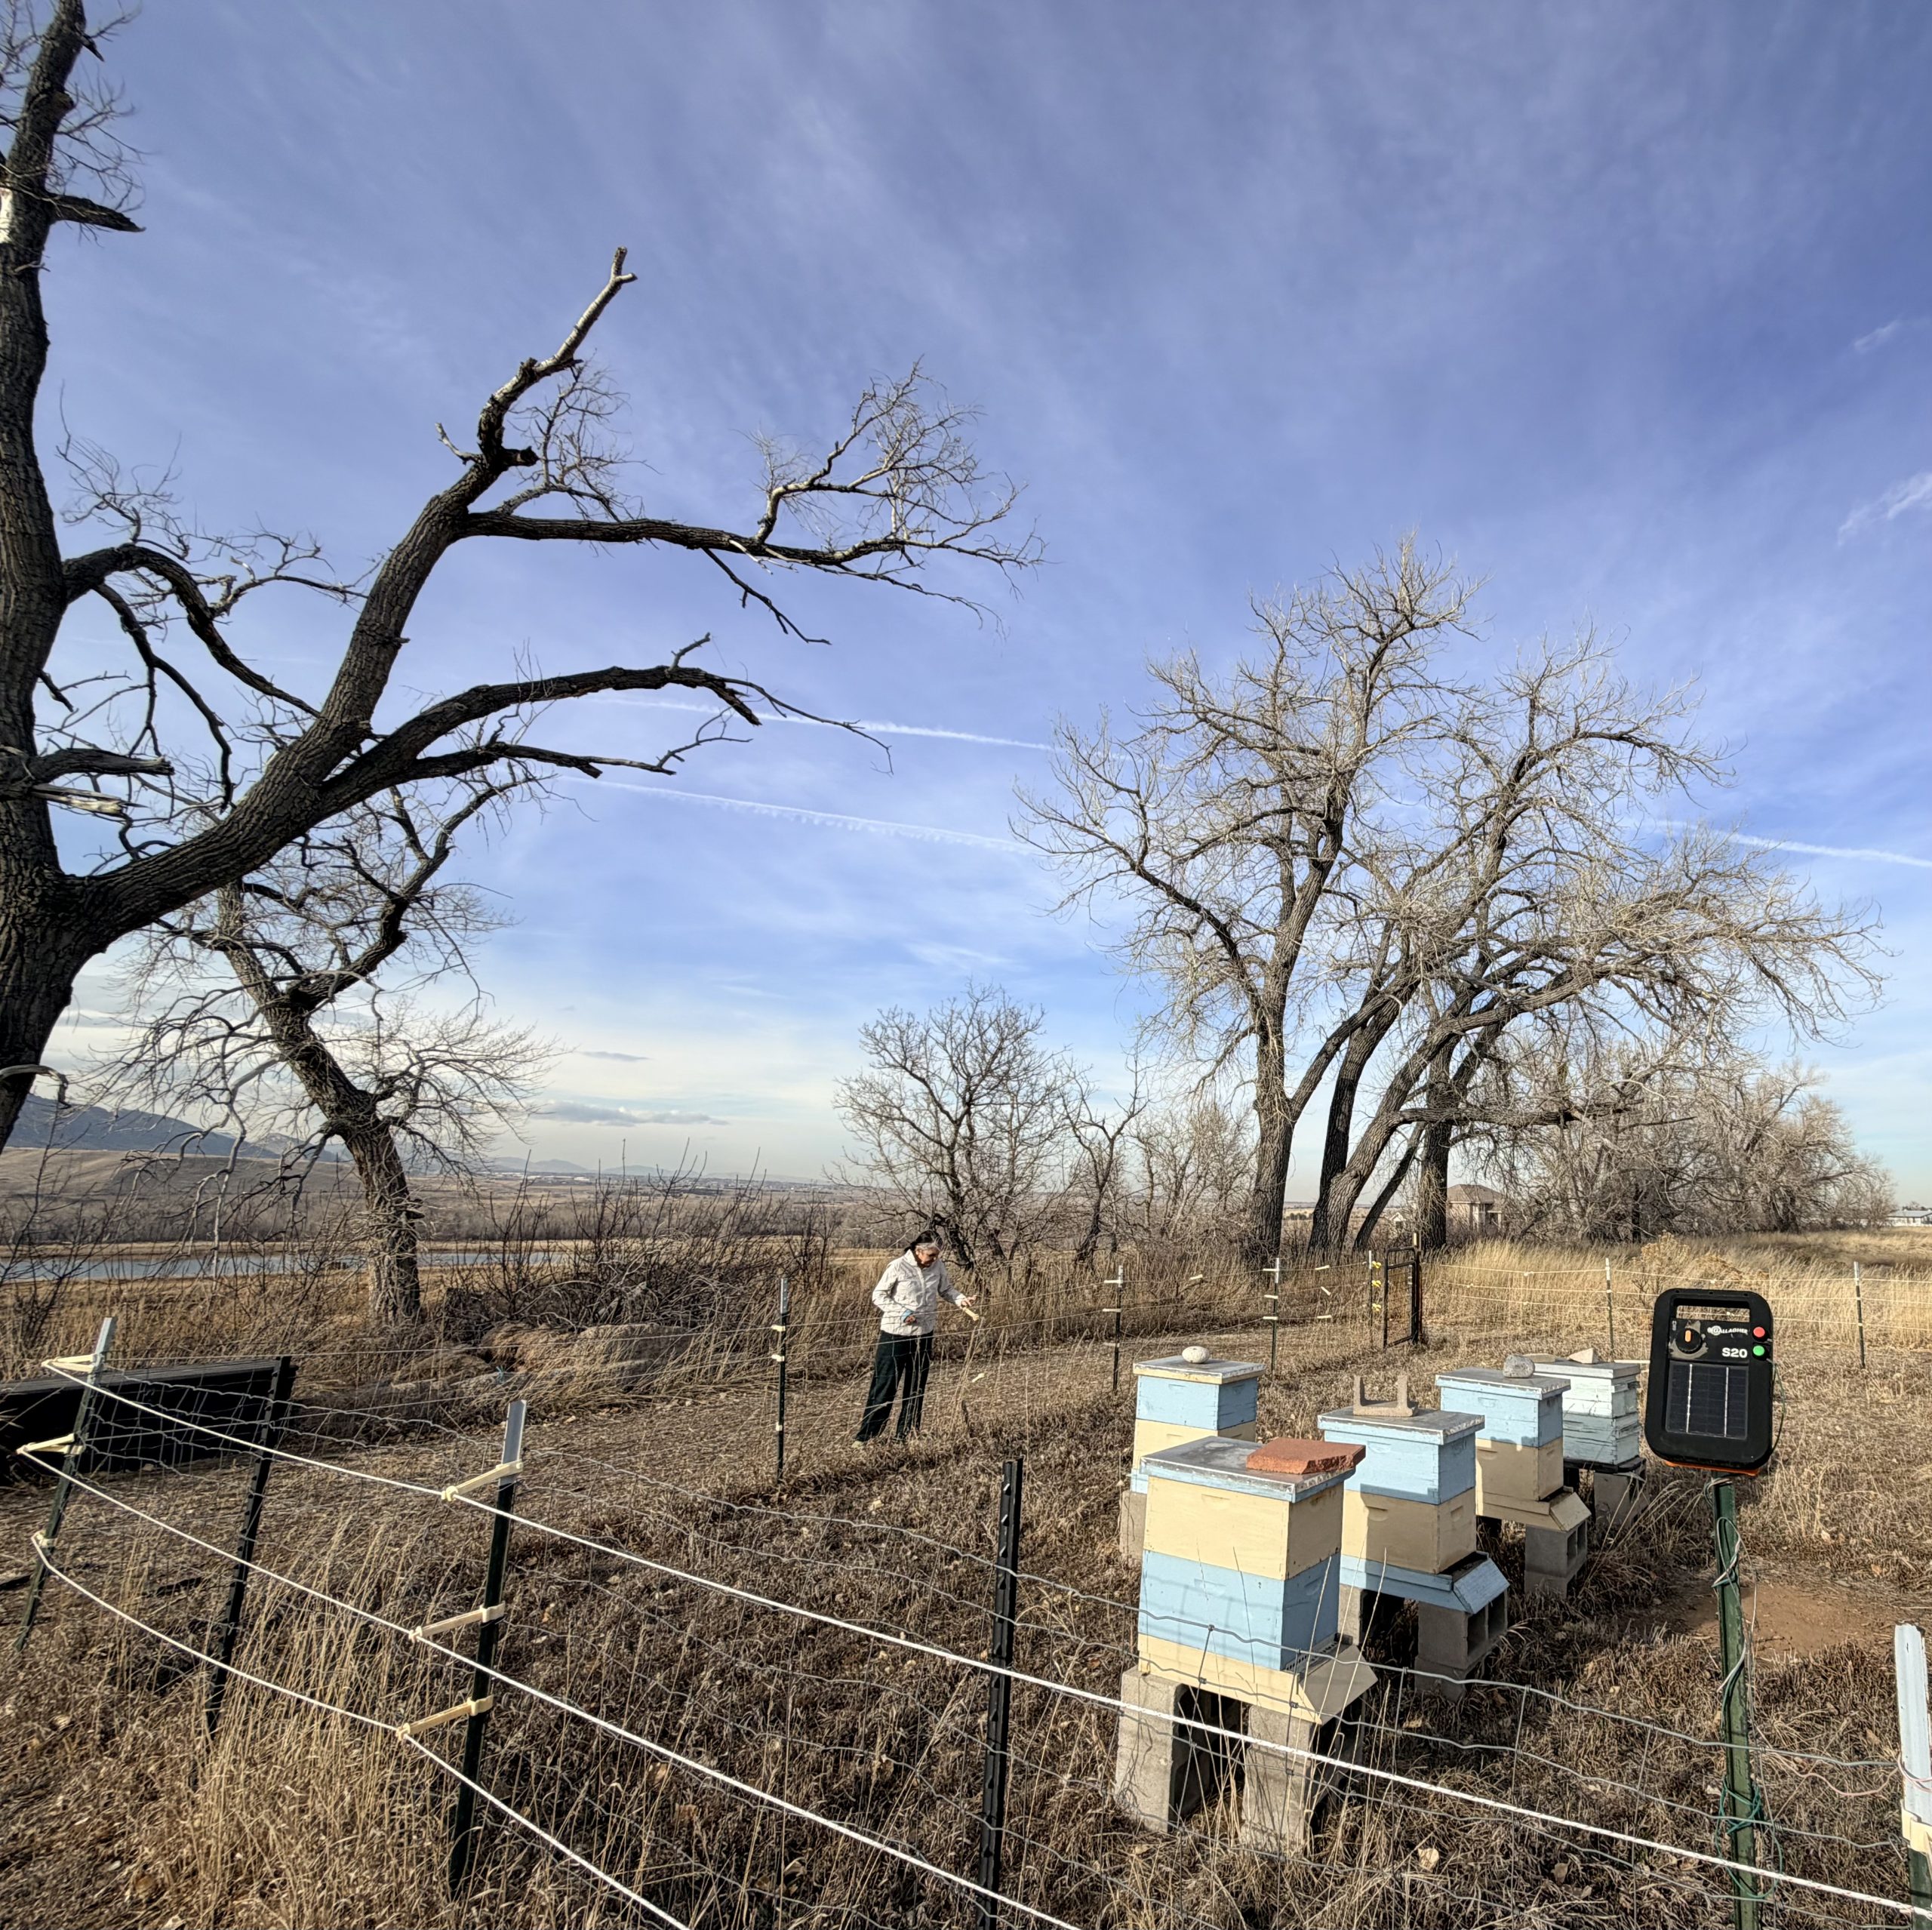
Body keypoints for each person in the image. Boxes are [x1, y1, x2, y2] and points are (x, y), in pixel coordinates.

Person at [855, 1230, 974, 1443]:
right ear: (918, 1252)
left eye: (937, 1255)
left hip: (924, 1335)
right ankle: (867, 1438)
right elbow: (878, 1295)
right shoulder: (898, 1266)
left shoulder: (938, 1266)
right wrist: (902, 1313)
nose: (934, 1259)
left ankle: (906, 1435)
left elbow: (946, 1289)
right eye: (931, 1255)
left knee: (916, 1387)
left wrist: (961, 1299)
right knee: (885, 1386)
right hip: (895, 1335)